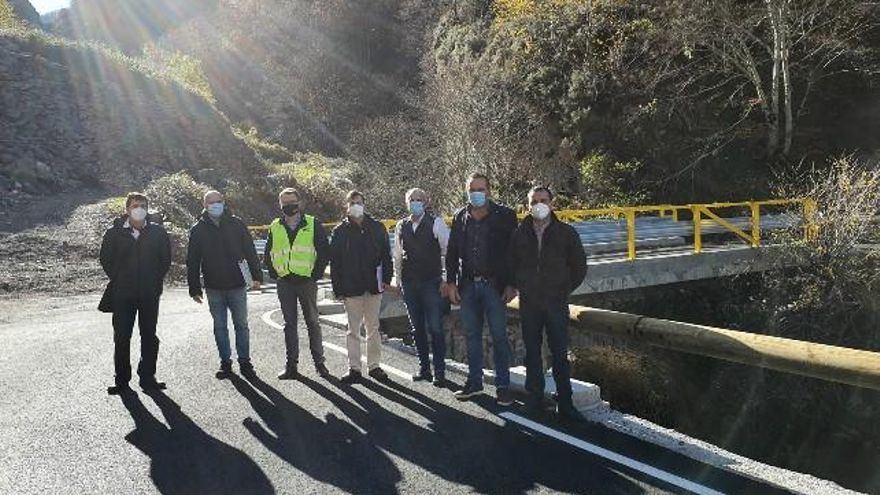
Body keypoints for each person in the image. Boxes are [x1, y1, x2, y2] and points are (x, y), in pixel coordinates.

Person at [509, 186, 587, 421]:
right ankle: (534, 400)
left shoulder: (566, 233)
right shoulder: (519, 234)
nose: (539, 204)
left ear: (552, 204)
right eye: (534, 201)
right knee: (532, 353)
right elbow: (511, 264)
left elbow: (579, 267)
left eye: (543, 200)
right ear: (528, 205)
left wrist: (562, 291)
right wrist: (520, 286)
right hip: (529, 303)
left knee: (560, 354)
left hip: (555, 303)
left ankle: (565, 402)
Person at [445, 173, 518, 405]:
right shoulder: (460, 217)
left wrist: (512, 283)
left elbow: (515, 252)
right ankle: (474, 382)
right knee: (472, 336)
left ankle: (503, 386)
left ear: (489, 190)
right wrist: (451, 283)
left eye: (481, 189)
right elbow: (452, 253)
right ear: (467, 191)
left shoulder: (505, 216)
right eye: (472, 189)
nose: (477, 193)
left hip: (494, 286)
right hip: (468, 286)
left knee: (499, 338)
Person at [100, 192, 172, 395]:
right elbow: (106, 259)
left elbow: (164, 259)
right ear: (127, 209)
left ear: (147, 209)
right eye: (134, 205)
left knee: (149, 335)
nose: (138, 208)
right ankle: (121, 380)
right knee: (122, 336)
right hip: (123, 294)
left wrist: (154, 279)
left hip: (149, 293)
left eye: (142, 205)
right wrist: (120, 277)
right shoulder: (114, 233)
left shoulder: (157, 232)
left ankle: (148, 377)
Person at [186, 190, 263, 379]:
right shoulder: (198, 229)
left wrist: (257, 276)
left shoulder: (236, 224)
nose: (215, 205)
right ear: (204, 205)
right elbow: (193, 260)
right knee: (219, 326)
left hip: (237, 284)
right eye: (211, 202)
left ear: (224, 202)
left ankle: (245, 362)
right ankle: (225, 363)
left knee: (241, 325)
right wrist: (194, 288)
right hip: (213, 286)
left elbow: (250, 251)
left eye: (218, 201)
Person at [264, 188, 331, 380]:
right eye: (284, 203)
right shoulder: (275, 226)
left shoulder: (312, 223)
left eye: (291, 202)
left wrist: (315, 275)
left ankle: (320, 364)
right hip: (285, 281)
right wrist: (275, 273)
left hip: (306, 281)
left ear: (299, 202)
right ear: (280, 205)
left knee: (312, 322)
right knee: (289, 325)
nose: (288, 206)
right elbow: (269, 253)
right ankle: (291, 366)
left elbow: (324, 252)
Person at [329, 190, 393, 384]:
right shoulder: (340, 231)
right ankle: (354, 368)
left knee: (373, 327)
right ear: (346, 206)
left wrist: (387, 279)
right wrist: (337, 288)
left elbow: (385, 255)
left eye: (360, 202)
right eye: (352, 202)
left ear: (364, 204)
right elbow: (335, 262)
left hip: (373, 285)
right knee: (353, 329)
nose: (356, 205)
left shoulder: (377, 227)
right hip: (351, 287)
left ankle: (374, 366)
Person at [392, 188, 450, 386]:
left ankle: (440, 371)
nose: (415, 202)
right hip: (410, 284)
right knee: (417, 329)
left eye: (419, 199)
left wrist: (445, 278)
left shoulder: (436, 223)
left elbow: (447, 251)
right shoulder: (401, 226)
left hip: (432, 282)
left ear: (426, 203)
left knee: (435, 327)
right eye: (412, 199)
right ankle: (424, 368)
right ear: (406, 202)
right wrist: (397, 281)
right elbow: (398, 256)